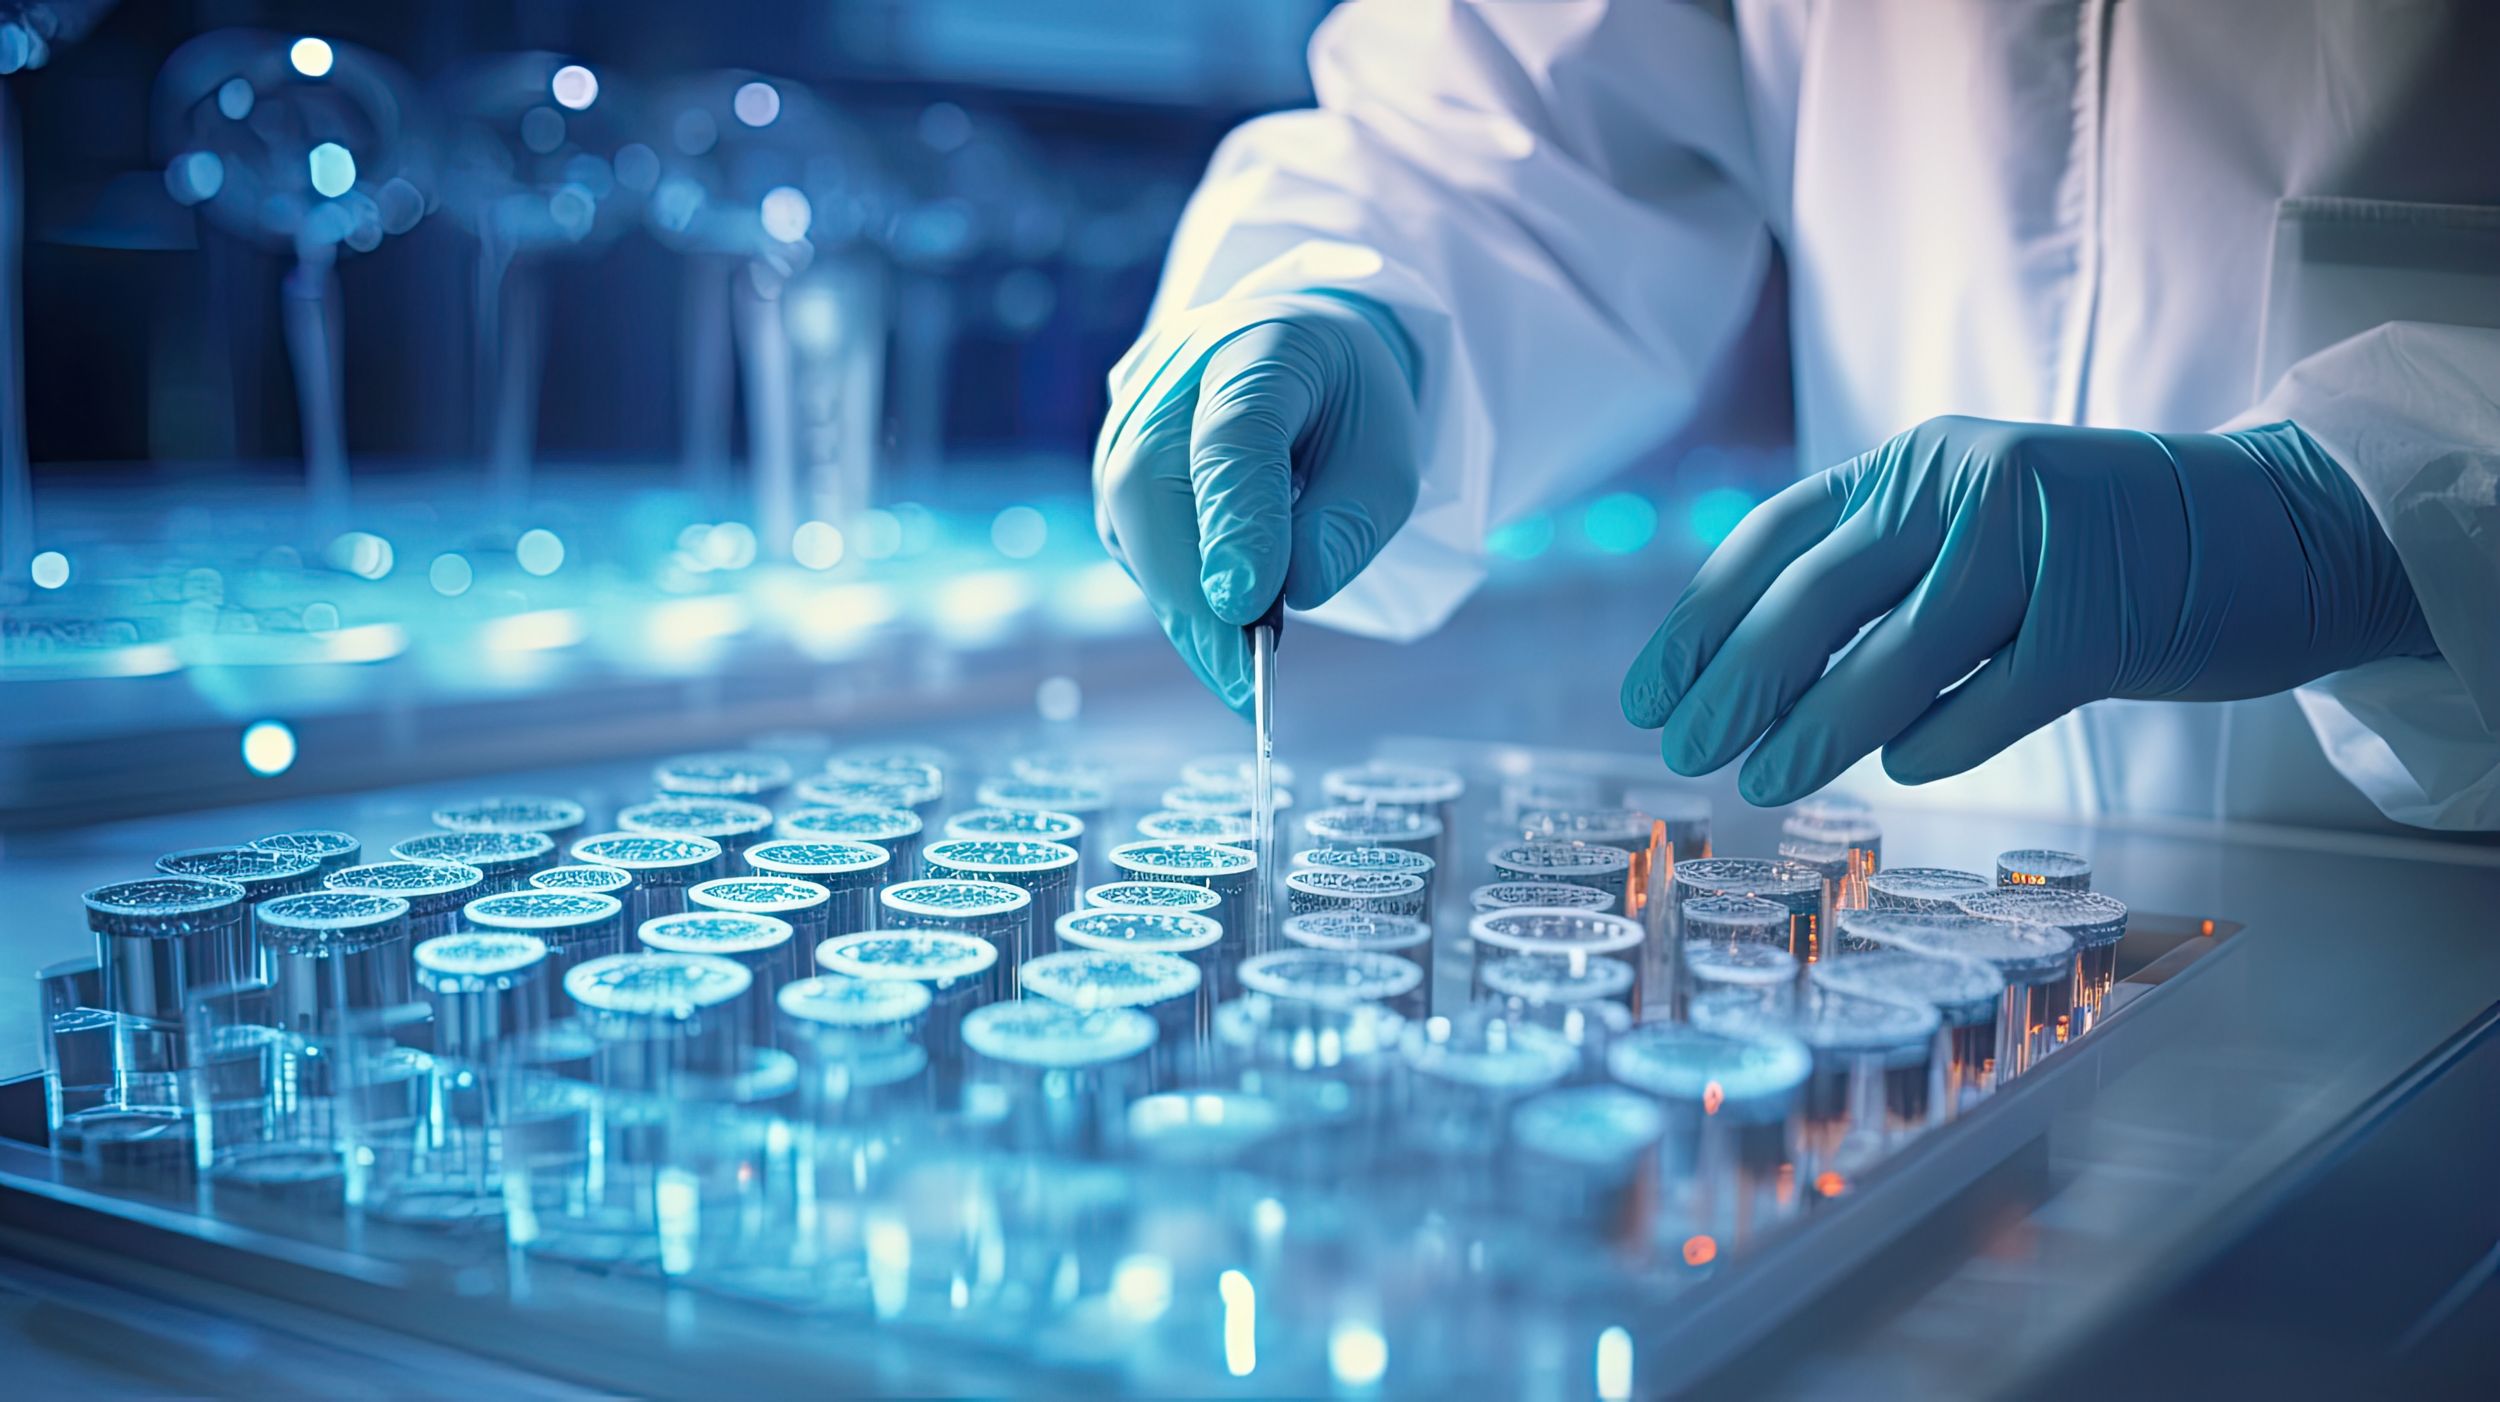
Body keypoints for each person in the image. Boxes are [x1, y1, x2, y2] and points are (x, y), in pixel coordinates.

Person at [1093, 0, 2500, 831]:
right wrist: (1352, 303)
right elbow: (1510, 109)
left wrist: (2385, 523)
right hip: (1927, 874)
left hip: (2446, 924)